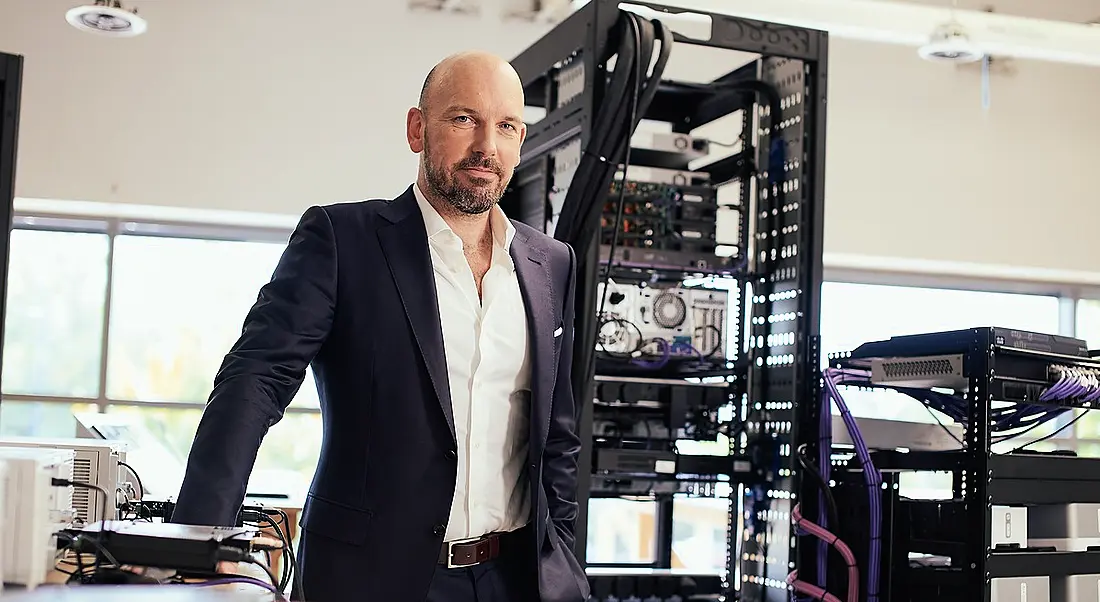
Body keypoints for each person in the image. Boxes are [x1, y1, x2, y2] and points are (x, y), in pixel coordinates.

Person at [169, 50, 589, 602]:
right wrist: (198, 540)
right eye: (464, 120)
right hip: (368, 577)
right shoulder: (342, 240)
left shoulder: (550, 263)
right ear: (418, 129)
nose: (487, 146)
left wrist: (560, 558)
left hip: (513, 580)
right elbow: (256, 381)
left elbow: (557, 435)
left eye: (505, 126)